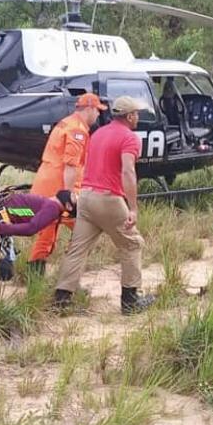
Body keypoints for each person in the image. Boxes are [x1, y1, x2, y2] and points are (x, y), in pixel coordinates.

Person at [52, 95, 156, 315]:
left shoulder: (98, 133)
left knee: (77, 249)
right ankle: (130, 301)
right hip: (108, 199)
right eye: (136, 113)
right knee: (132, 244)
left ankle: (61, 300)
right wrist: (133, 208)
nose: (138, 117)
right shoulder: (129, 138)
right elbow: (128, 171)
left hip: (86, 198)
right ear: (129, 116)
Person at [26, 93, 107, 275]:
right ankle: (69, 275)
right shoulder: (77, 130)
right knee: (85, 227)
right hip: (59, 187)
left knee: (47, 233)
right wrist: (69, 196)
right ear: (90, 108)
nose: (98, 116)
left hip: (45, 185)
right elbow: (70, 166)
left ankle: (35, 276)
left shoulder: (66, 122)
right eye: (98, 111)